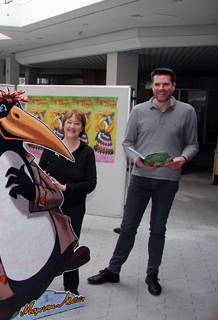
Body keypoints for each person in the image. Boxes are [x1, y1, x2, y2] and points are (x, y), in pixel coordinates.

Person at [87, 68, 199, 296]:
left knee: (158, 229)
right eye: (157, 84)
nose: (161, 88)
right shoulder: (138, 111)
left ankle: (152, 275)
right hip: (140, 179)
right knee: (128, 228)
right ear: (152, 86)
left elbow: (193, 144)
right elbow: (127, 144)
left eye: (166, 84)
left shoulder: (187, 112)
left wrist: (183, 158)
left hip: (168, 180)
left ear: (173, 86)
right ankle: (113, 270)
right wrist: (138, 161)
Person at [38, 109, 97, 295]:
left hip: (74, 207)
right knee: (46, 246)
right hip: (50, 207)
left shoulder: (87, 153)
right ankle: (39, 286)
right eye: (69, 122)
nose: (72, 126)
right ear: (63, 124)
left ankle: (71, 288)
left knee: (70, 246)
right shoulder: (51, 147)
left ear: (82, 128)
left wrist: (65, 187)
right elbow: (38, 174)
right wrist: (45, 178)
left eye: (77, 123)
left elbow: (91, 183)